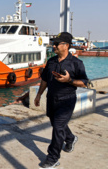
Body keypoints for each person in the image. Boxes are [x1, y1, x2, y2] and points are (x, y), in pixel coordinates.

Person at [34, 32, 88, 168]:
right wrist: (39, 94)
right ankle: (71, 138)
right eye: (54, 43)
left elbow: (84, 83)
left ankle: (52, 158)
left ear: (66, 46)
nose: (54, 45)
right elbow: (45, 79)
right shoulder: (51, 61)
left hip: (67, 100)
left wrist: (69, 80)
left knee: (58, 128)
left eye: (57, 44)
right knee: (58, 126)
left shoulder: (77, 63)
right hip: (51, 99)